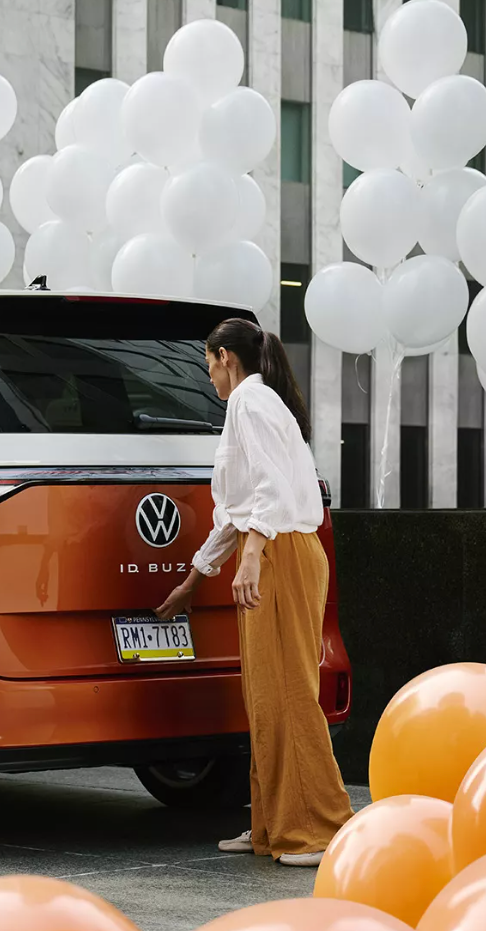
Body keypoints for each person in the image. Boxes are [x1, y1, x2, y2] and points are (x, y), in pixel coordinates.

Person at [157, 317, 352, 867]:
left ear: (224, 357)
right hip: (272, 548)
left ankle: (319, 830)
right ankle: (272, 823)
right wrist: (195, 576)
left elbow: (269, 490)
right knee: (267, 696)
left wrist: (249, 558)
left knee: (289, 691)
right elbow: (236, 510)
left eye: (207, 363)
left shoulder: (250, 402)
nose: (208, 375)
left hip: (280, 553)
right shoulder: (250, 404)